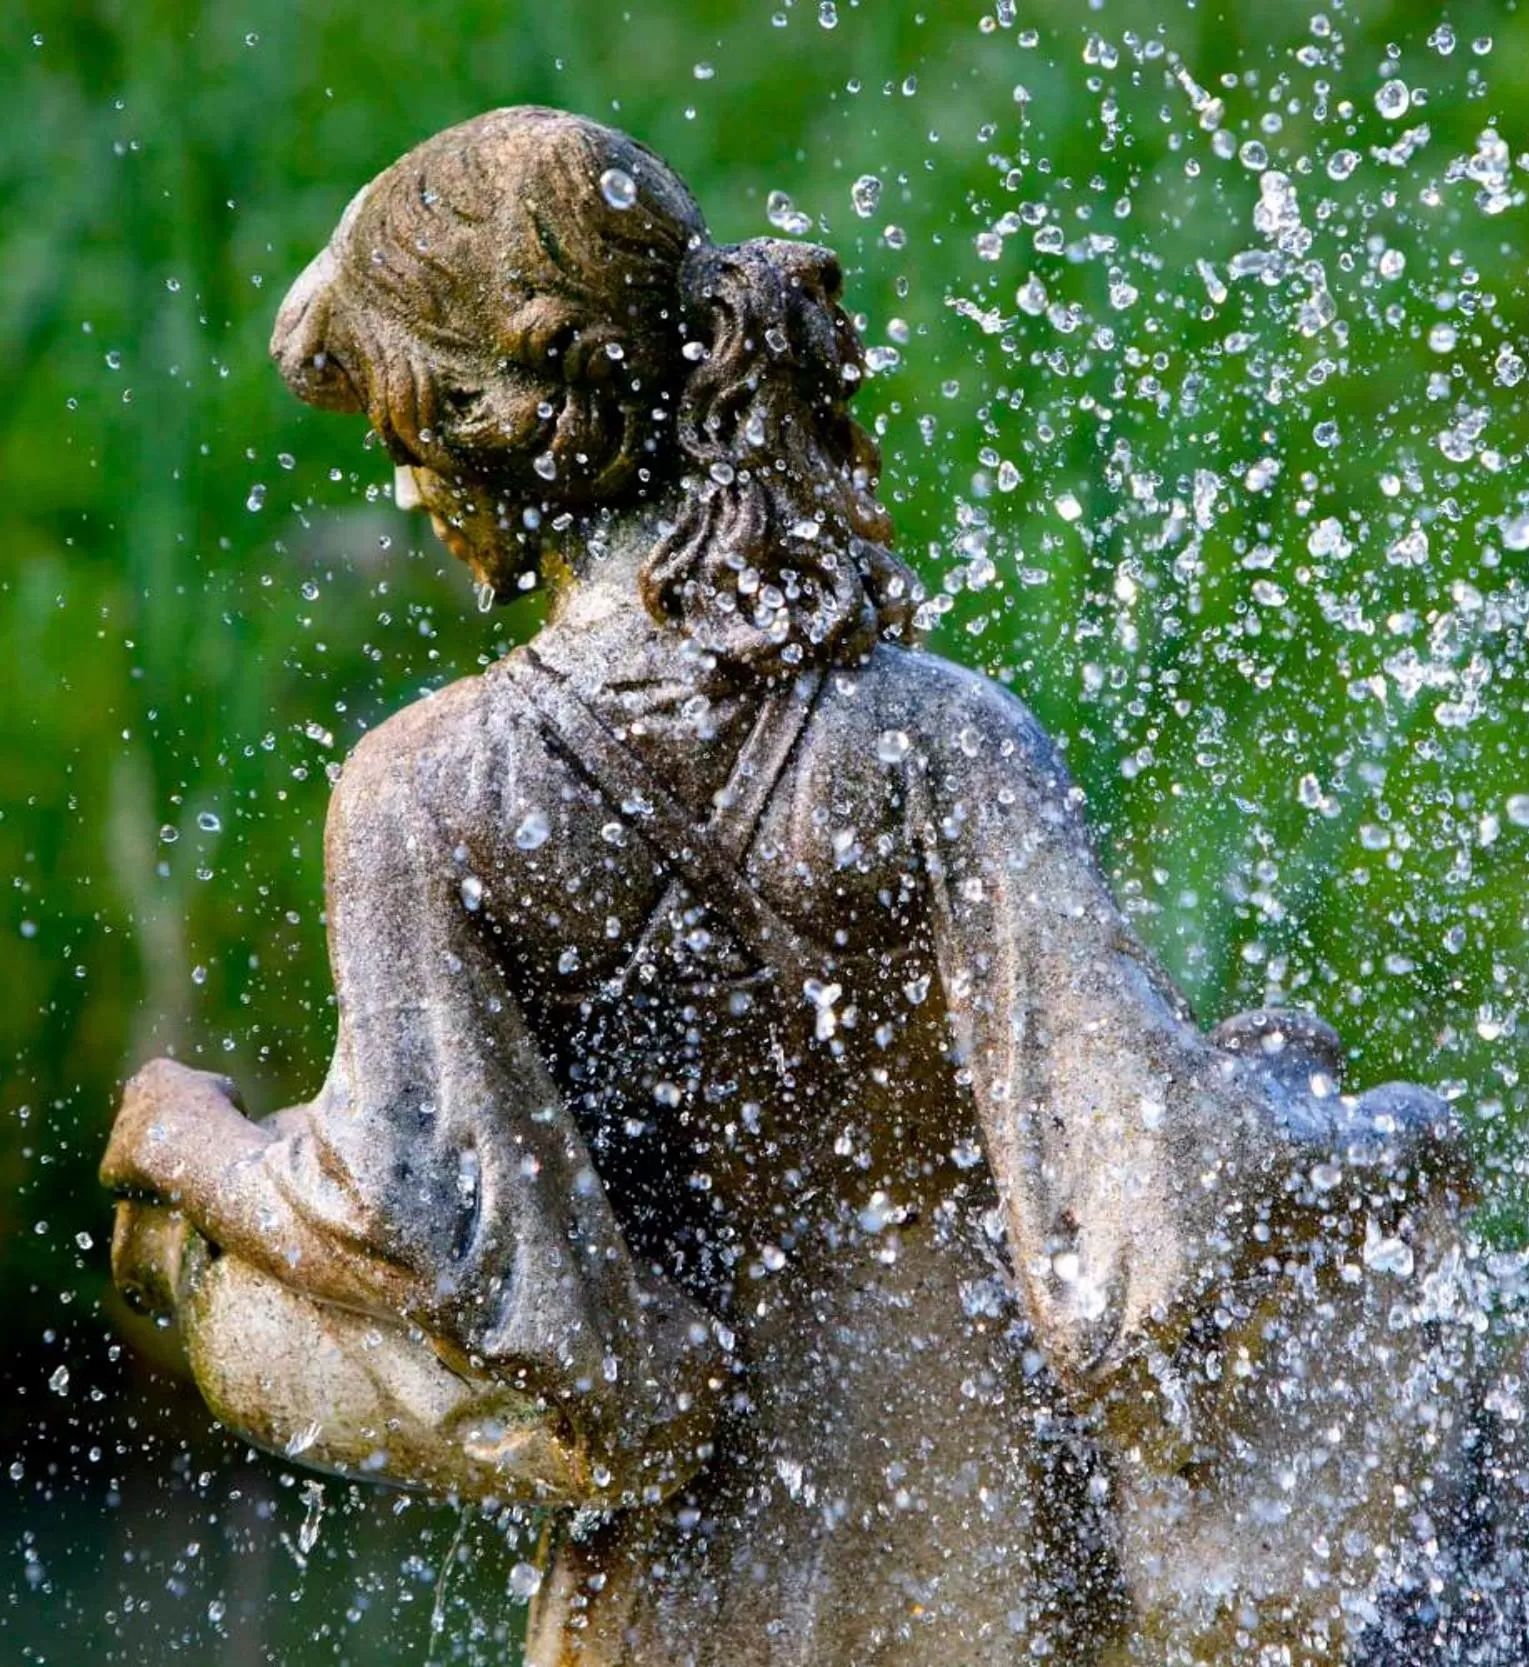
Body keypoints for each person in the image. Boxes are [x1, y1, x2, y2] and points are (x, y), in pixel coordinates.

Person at [99, 106, 1458, 1667]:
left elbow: (434, 1242)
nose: (404, 488)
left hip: (687, 1588)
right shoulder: (947, 737)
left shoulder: (429, 793)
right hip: (998, 1544)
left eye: (403, 431)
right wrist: (1358, 1129)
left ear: (497, 421)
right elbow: (1138, 1222)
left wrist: (187, 1148)